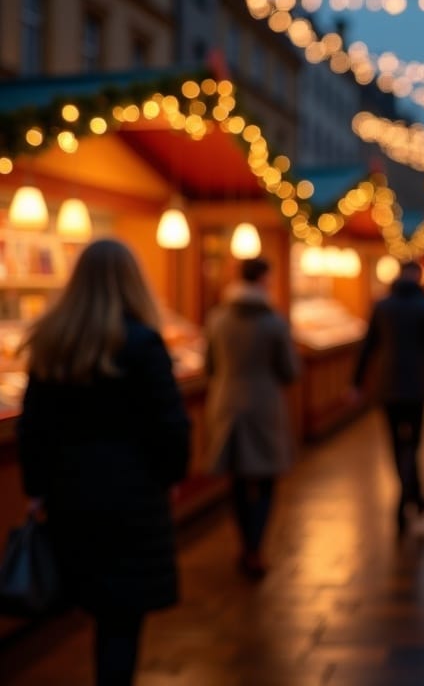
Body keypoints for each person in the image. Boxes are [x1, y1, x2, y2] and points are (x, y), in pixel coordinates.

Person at [16, 239, 190, 686]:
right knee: (122, 619)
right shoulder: (143, 343)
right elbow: (169, 423)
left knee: (87, 599)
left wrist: (36, 489)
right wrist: (171, 475)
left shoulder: (53, 340)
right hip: (132, 497)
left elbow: (32, 426)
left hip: (69, 494)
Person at [205, 256, 299, 579]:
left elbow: (209, 366)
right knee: (266, 476)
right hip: (264, 404)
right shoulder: (274, 323)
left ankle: (245, 543)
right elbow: (289, 370)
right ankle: (256, 547)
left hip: (226, 402)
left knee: (237, 478)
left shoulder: (217, 319)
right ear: (262, 280)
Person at [353, 261, 424, 535]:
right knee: (414, 443)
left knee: (395, 443)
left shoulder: (382, 307)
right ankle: (410, 495)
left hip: (387, 384)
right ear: (418, 277)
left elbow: (368, 346)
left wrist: (356, 382)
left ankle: (408, 495)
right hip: (418, 385)